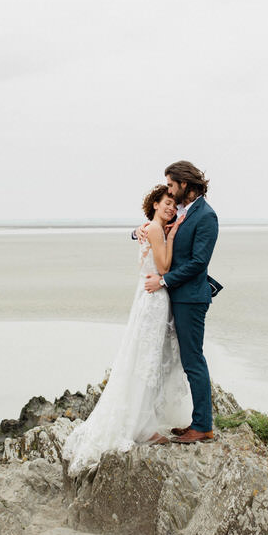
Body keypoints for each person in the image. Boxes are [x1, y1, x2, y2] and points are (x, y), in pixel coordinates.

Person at [62, 185, 193, 475]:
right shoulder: (156, 230)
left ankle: (141, 422)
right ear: (155, 204)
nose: (171, 208)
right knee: (146, 361)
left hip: (146, 296)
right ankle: (142, 426)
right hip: (155, 297)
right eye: (166, 203)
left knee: (142, 360)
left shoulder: (147, 228)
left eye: (174, 204)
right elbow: (164, 265)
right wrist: (171, 235)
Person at [142, 161, 220, 444]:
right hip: (178, 297)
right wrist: (139, 231)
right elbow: (158, 231)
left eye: (172, 185)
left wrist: (163, 281)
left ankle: (202, 426)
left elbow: (199, 263)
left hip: (191, 299)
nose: (170, 193)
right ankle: (196, 422)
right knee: (184, 360)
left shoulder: (206, 216)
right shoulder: (185, 212)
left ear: (185, 184)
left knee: (193, 360)